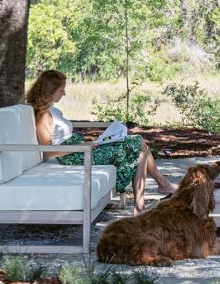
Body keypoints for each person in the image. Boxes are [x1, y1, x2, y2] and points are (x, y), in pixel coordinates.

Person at [26, 70, 177, 215]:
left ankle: (144, 202)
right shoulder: (42, 114)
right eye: (61, 90)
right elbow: (46, 151)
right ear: (50, 90)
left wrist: (86, 142)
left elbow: (62, 136)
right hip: (71, 157)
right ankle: (156, 191)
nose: (64, 93)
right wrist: (81, 147)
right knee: (137, 144)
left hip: (78, 150)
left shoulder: (52, 109)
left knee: (138, 146)